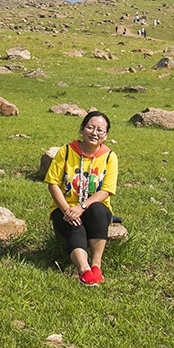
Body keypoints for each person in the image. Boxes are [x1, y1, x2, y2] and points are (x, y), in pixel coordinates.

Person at [45, 110, 119, 286]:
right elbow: (53, 184)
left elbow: (106, 191)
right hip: (65, 207)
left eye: (100, 130)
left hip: (92, 208)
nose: (94, 133)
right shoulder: (66, 151)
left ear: (106, 135)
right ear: (82, 129)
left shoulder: (109, 157)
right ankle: (84, 270)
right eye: (90, 127)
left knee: (99, 210)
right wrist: (67, 209)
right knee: (75, 226)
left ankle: (96, 265)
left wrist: (82, 207)